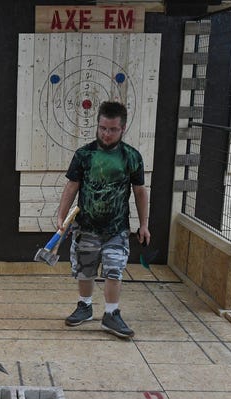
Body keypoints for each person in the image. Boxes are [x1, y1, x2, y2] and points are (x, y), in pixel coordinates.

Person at [56, 101, 150, 339]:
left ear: (123, 128)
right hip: (86, 227)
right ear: (97, 125)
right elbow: (71, 186)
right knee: (85, 270)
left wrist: (144, 224)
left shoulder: (131, 157)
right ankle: (85, 306)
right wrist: (61, 216)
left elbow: (140, 192)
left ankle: (111, 314)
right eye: (103, 128)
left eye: (113, 129)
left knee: (114, 270)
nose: (107, 134)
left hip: (116, 229)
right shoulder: (84, 155)